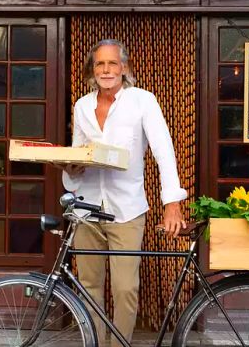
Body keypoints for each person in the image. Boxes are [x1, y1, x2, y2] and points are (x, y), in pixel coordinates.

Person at [60, 39, 187, 346]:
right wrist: (71, 169)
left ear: (124, 68)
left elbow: (163, 151)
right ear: (93, 70)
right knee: (88, 286)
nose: (106, 69)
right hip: (86, 209)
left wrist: (172, 203)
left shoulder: (143, 101)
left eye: (112, 63)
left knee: (125, 289)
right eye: (100, 64)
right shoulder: (82, 106)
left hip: (127, 210)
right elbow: (80, 154)